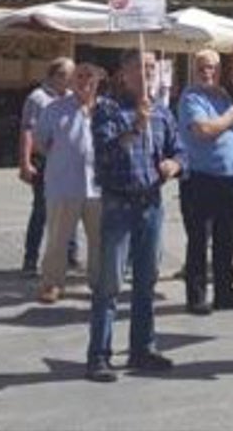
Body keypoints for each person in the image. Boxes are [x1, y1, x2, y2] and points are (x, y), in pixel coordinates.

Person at [86, 50, 185, 383]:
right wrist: (134, 127)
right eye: (140, 68)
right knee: (110, 283)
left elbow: (179, 148)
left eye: (151, 69)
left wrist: (175, 164)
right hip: (118, 204)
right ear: (123, 74)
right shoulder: (108, 109)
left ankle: (142, 348)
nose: (147, 75)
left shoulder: (162, 111)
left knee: (147, 282)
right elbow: (104, 154)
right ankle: (99, 355)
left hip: (151, 204)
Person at [177, 49, 233, 315]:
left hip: (230, 178)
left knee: (225, 239)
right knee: (199, 239)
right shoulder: (191, 97)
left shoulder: (224, 96)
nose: (208, 72)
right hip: (201, 177)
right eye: (202, 67)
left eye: (212, 67)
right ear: (194, 69)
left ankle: (225, 291)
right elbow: (204, 130)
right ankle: (196, 295)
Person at [35, 63, 105, 304]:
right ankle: (52, 283)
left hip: (98, 186)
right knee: (58, 238)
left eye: (90, 76)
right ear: (72, 81)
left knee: (100, 239)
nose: (85, 81)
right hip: (64, 183)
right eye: (80, 76)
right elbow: (41, 142)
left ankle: (99, 282)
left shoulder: (106, 109)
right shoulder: (55, 109)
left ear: (98, 80)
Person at [19, 58, 77, 277]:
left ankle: (70, 254)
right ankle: (30, 258)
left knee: (70, 206)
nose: (69, 79)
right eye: (65, 74)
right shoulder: (38, 98)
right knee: (42, 210)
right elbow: (27, 131)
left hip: (69, 162)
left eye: (72, 75)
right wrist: (25, 162)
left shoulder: (72, 98)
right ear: (53, 75)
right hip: (44, 161)